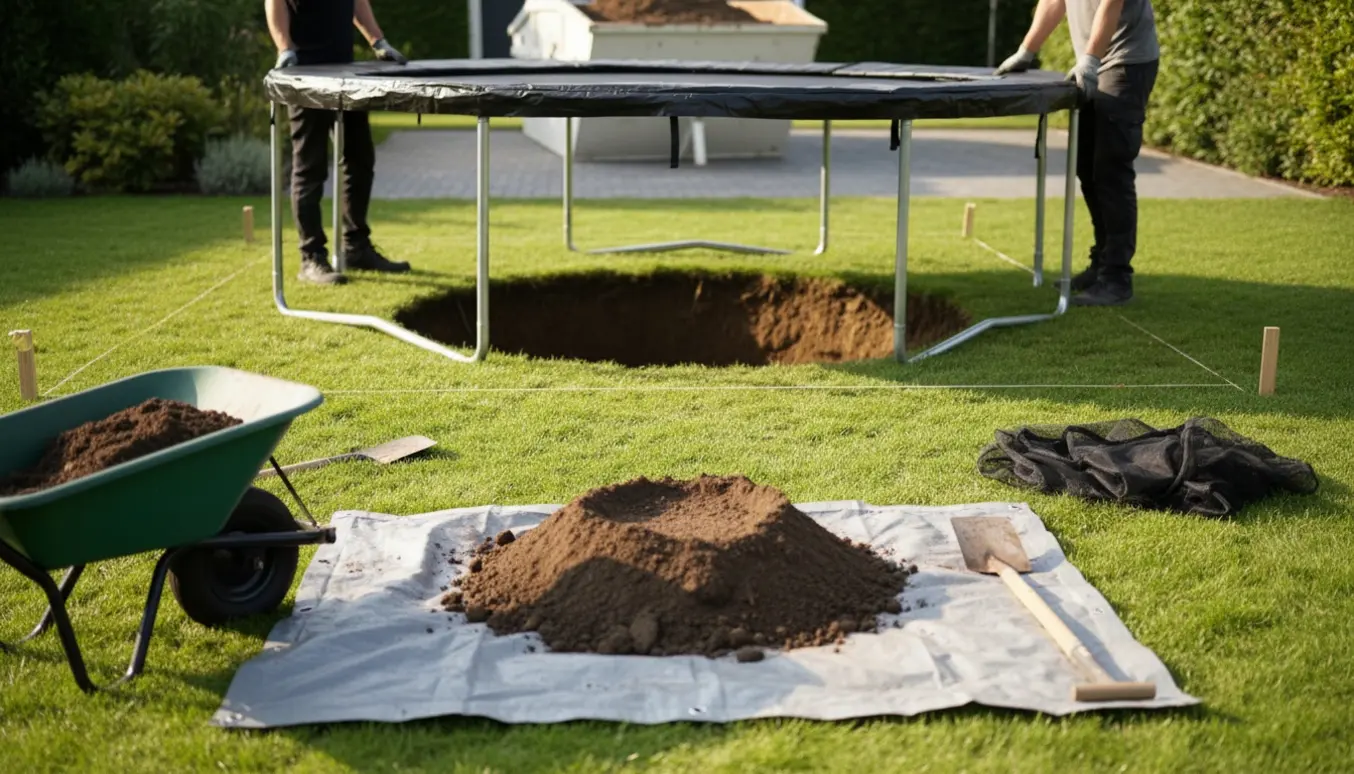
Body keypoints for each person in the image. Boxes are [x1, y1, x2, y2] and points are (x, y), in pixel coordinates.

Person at [995, 0, 1159, 306]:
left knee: (1111, 171)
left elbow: (1111, 4)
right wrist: (1026, 51)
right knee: (1086, 166)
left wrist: (1090, 60)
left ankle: (1116, 279)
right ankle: (1101, 265)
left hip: (1126, 62)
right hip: (1095, 62)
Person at [266, 0, 411, 285]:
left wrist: (378, 41)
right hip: (305, 75)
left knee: (360, 159)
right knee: (310, 167)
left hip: (346, 74)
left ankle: (356, 248)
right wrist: (285, 49)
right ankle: (311, 258)